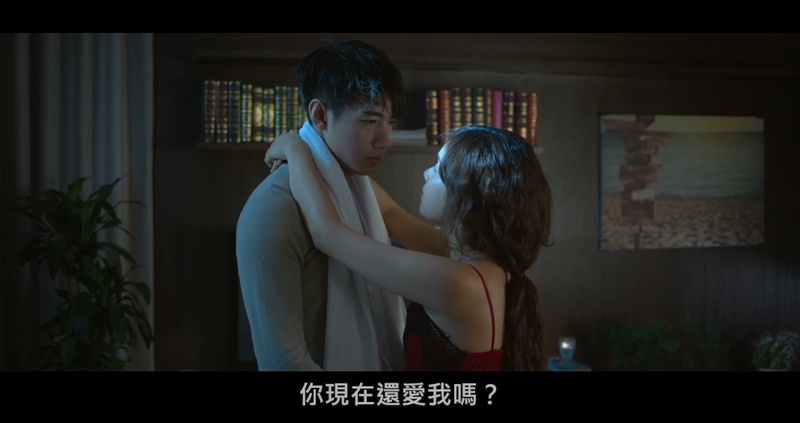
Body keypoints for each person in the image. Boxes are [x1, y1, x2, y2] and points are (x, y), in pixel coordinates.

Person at [266, 125, 553, 371]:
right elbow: (390, 213)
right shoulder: (484, 263)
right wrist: (328, 155)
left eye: (439, 169)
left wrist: (295, 150)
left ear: (469, 193)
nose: (427, 173)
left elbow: (328, 234)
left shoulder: (457, 283)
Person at [236, 38, 410, 371]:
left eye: (390, 122)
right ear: (320, 115)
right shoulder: (274, 209)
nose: (385, 139)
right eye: (370, 121)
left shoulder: (361, 189)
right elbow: (283, 363)